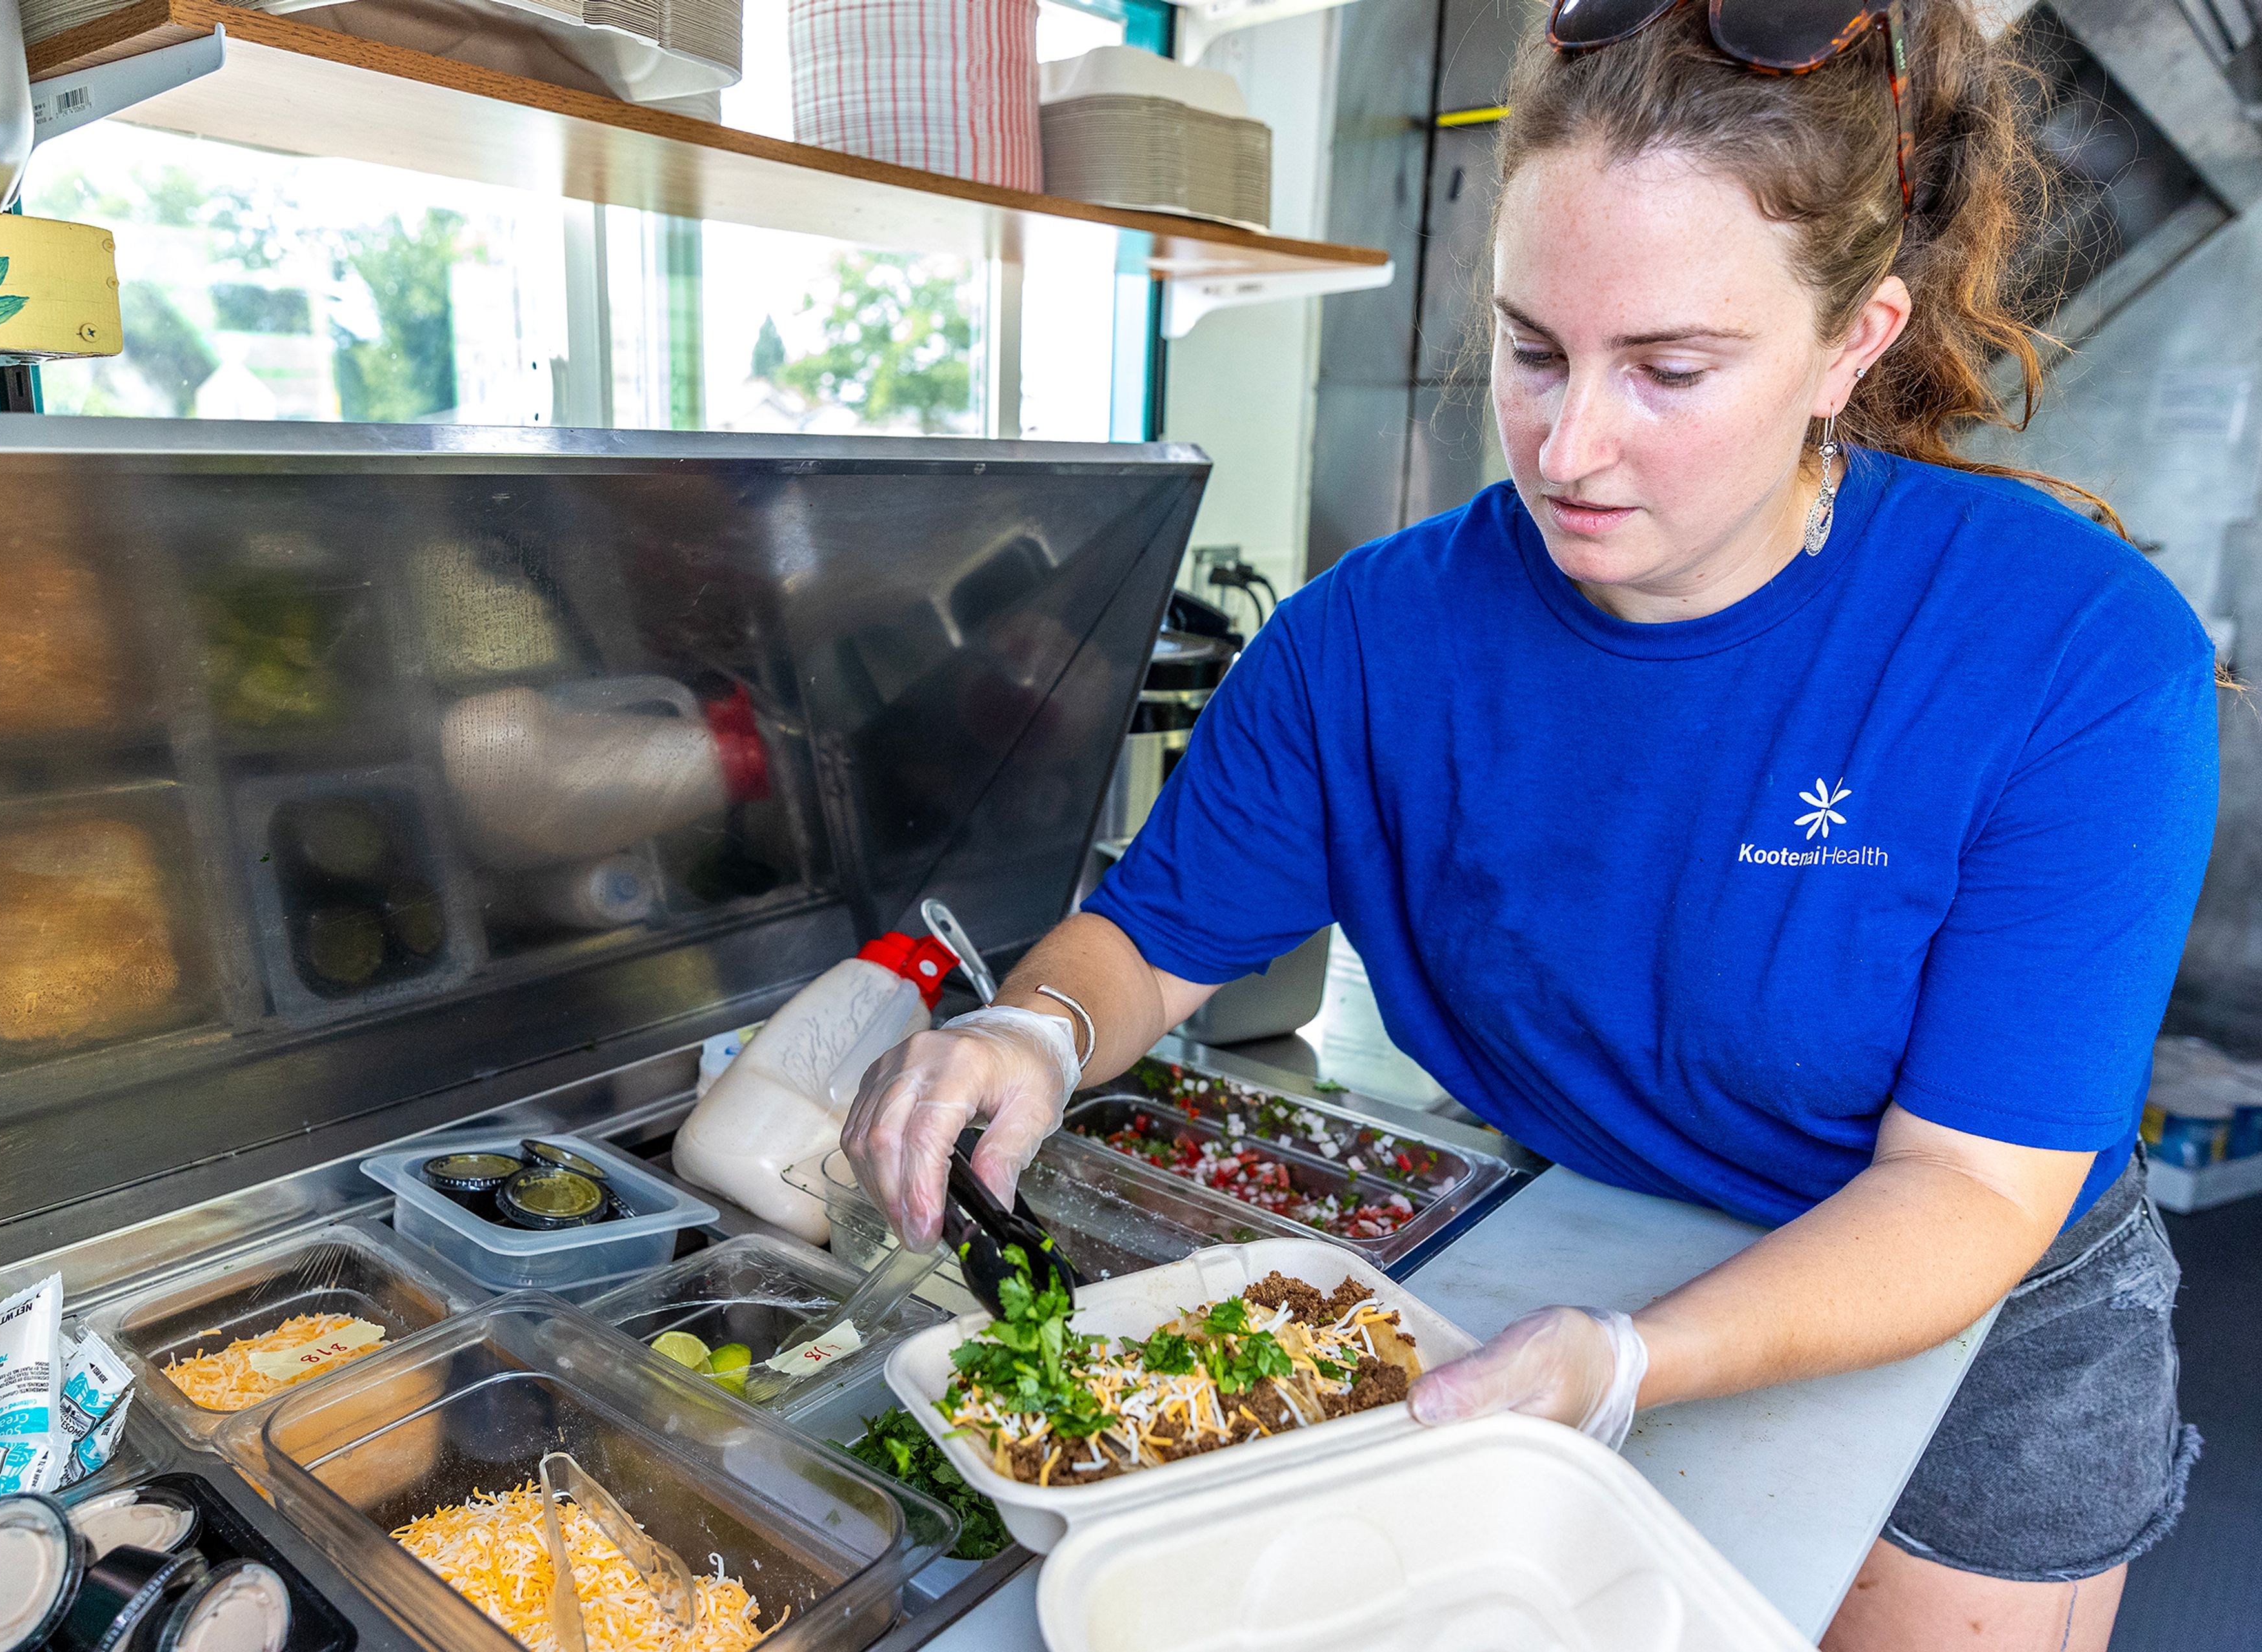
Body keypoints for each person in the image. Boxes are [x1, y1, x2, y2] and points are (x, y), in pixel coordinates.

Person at [841, 2, 2219, 1647]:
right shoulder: (1367, 646)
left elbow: (1971, 1198)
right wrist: (1039, 1028)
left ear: (1856, 339)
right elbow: (1148, 940)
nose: (1570, 449)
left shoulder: (2069, 653)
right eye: (1532, 348)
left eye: (1671, 369)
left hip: (1969, 1319)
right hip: (1586, 1234)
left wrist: (1634, 1361)